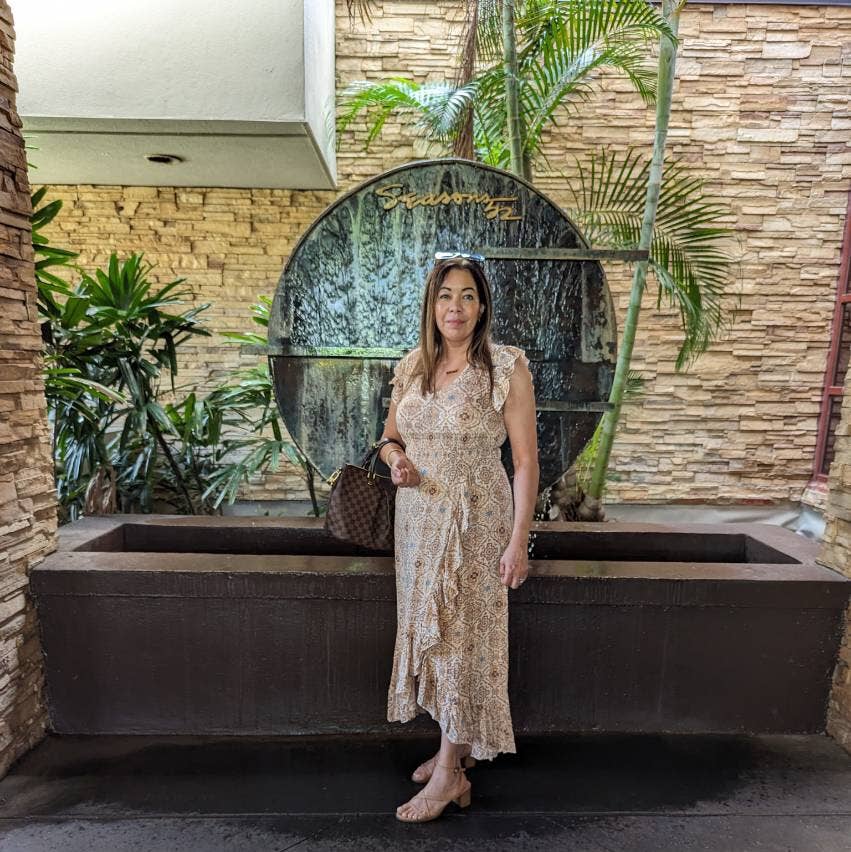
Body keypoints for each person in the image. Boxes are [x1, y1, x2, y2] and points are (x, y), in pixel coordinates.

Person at [377, 252, 539, 823]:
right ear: (432, 305)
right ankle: (456, 749)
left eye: (468, 296)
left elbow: (525, 462)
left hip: (475, 523)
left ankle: (449, 774)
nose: (456, 307)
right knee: (436, 634)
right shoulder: (412, 367)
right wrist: (397, 461)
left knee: (460, 638)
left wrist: (518, 541)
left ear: (482, 306)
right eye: (446, 295)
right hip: (417, 524)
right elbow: (389, 437)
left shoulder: (505, 368)